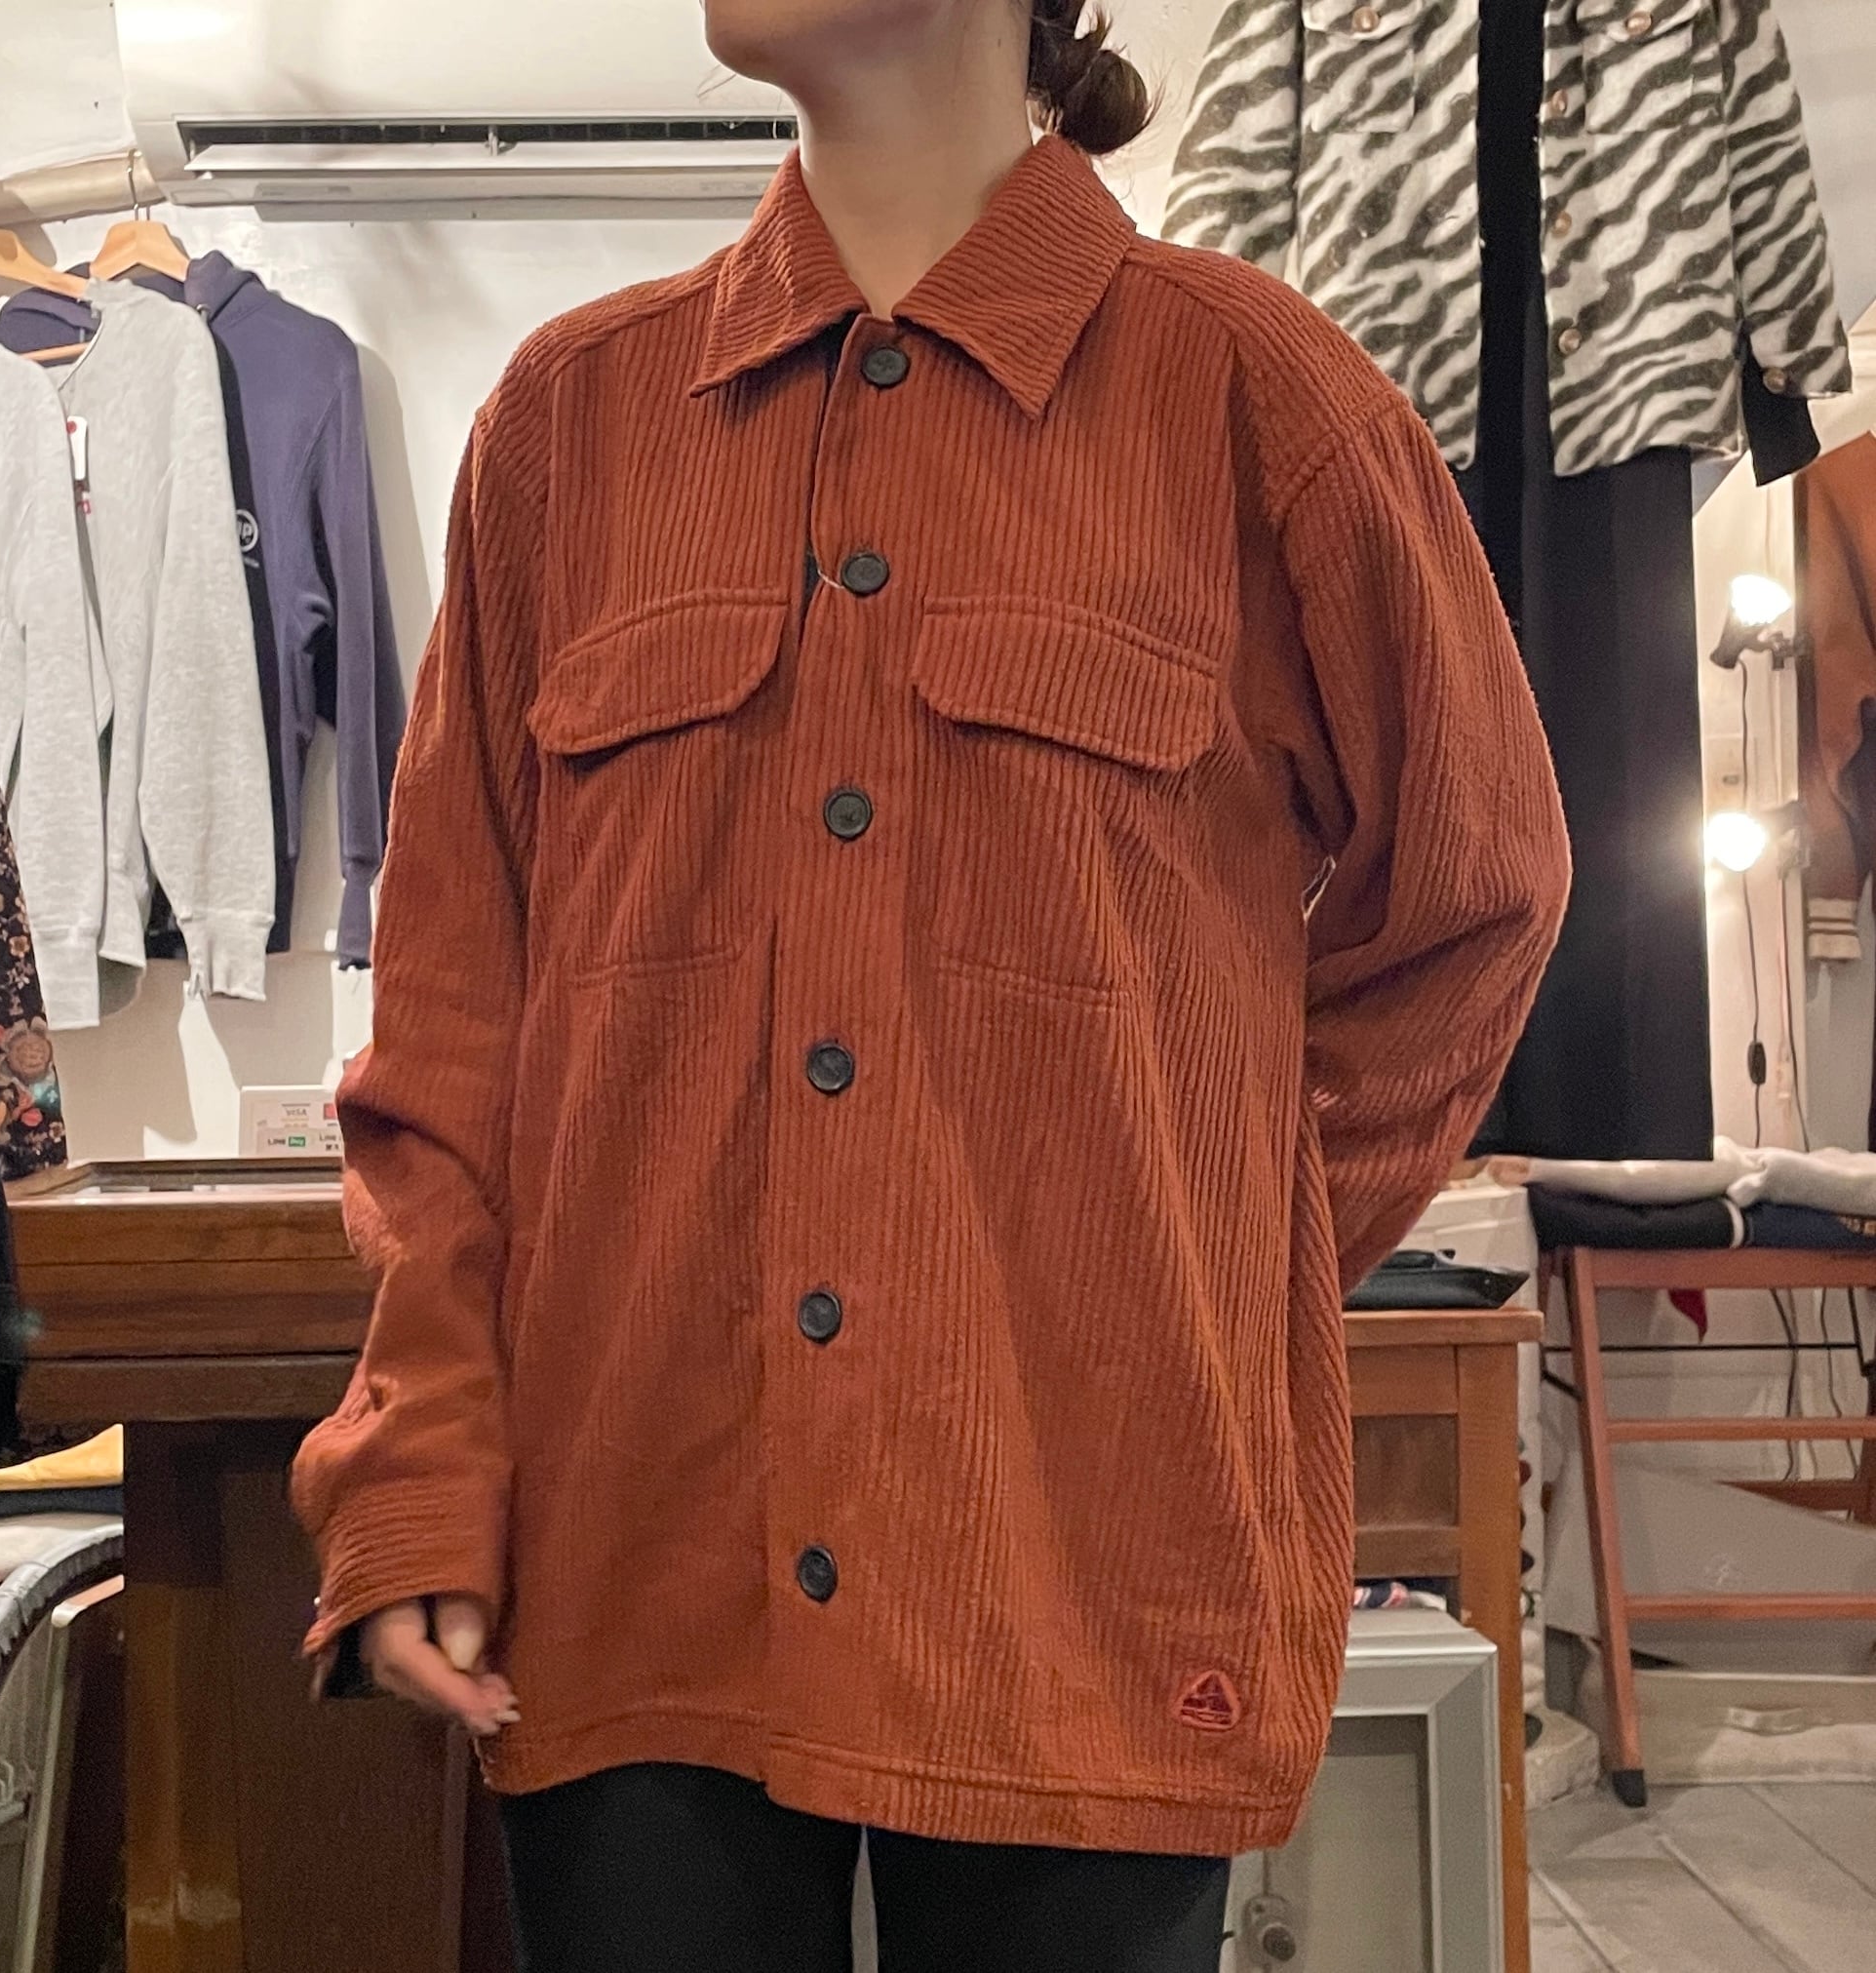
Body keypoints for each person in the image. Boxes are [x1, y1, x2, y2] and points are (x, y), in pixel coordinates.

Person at [291, 1, 1571, 1964]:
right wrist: (422, 1469)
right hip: (637, 1559)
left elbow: (1475, 896)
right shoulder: (570, 423)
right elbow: (455, 1023)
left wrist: (1196, 1261)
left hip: (1083, 1569)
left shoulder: (1262, 403)